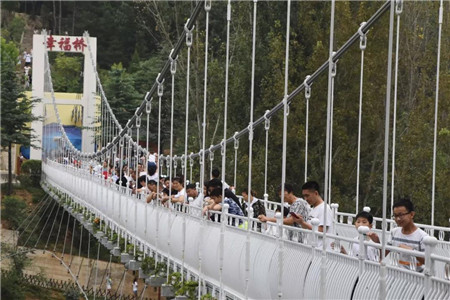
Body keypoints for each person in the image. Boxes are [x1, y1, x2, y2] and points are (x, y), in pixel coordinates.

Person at [387, 198, 428, 272]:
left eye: (401, 215)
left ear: (412, 214)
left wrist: (411, 251)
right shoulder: (394, 232)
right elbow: (383, 253)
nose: (398, 219)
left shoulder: (423, 237)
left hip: (415, 278)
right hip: (395, 275)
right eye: (395, 216)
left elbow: (427, 262)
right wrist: (376, 241)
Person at [292, 181, 333, 248]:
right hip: (312, 248)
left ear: (316, 193)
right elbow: (309, 227)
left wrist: (303, 223)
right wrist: (300, 222)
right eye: (304, 196)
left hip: (320, 250)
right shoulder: (313, 209)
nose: (306, 199)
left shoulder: (324, 209)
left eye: (307, 195)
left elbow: (321, 231)